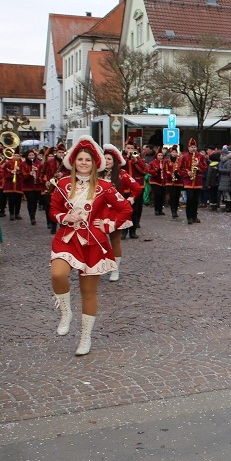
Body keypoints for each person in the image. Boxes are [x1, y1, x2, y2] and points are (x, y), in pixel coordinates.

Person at [49, 137, 133, 356]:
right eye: (80, 159)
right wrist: (64, 216)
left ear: (95, 164)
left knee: (88, 292)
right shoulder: (63, 184)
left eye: (88, 159)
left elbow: (125, 208)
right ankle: (66, 313)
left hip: (93, 242)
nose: (84, 163)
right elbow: (53, 209)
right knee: (58, 274)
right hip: (67, 238)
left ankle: (85, 337)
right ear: (73, 161)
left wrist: (108, 224)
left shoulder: (105, 187)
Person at [101, 144, 139, 282]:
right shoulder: (96, 174)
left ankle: (115, 270)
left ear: (114, 161)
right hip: (99, 212)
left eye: (109, 159)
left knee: (115, 241)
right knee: (97, 241)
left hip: (115, 212)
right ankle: (98, 266)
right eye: (104, 158)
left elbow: (136, 187)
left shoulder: (121, 174)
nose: (106, 161)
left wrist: (129, 201)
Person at [178, 139, 208, 225]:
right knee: (190, 198)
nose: (193, 148)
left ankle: (195, 216)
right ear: (188, 148)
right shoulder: (184, 156)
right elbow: (179, 168)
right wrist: (187, 172)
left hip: (197, 180)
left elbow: (205, 167)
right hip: (188, 181)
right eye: (191, 147)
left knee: (196, 199)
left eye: (195, 147)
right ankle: (189, 217)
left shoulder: (201, 156)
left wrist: (198, 166)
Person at [149, 148, 166, 216]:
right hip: (155, 181)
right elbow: (149, 171)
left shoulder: (165, 162)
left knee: (162, 195)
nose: (160, 157)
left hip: (163, 181)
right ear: (156, 156)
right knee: (157, 194)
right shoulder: (152, 162)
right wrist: (156, 171)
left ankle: (160, 210)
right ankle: (156, 209)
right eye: (159, 155)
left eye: (161, 155)